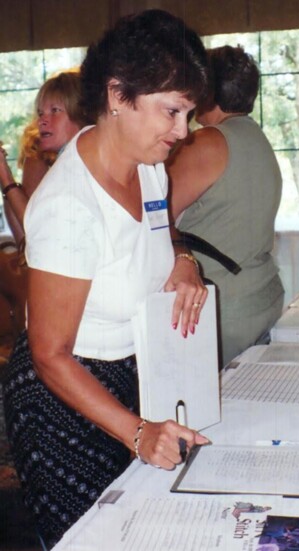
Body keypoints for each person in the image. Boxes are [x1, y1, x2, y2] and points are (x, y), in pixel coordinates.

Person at [2, 10, 209, 548]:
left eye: (187, 114)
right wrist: (138, 433)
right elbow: (50, 353)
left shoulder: (150, 169)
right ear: (118, 96)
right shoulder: (69, 205)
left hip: (130, 376)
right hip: (62, 403)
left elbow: (164, 238)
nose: (182, 132)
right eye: (172, 112)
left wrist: (183, 263)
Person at [167, 45, 285, 367]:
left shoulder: (207, 142)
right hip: (261, 297)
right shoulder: (257, 138)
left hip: (222, 309)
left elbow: (154, 217)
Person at [1, 70, 91, 246]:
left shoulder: (78, 165)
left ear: (80, 114)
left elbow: (35, 231)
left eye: (55, 110)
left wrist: (5, 177)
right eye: (41, 113)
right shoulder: (69, 161)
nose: (42, 120)